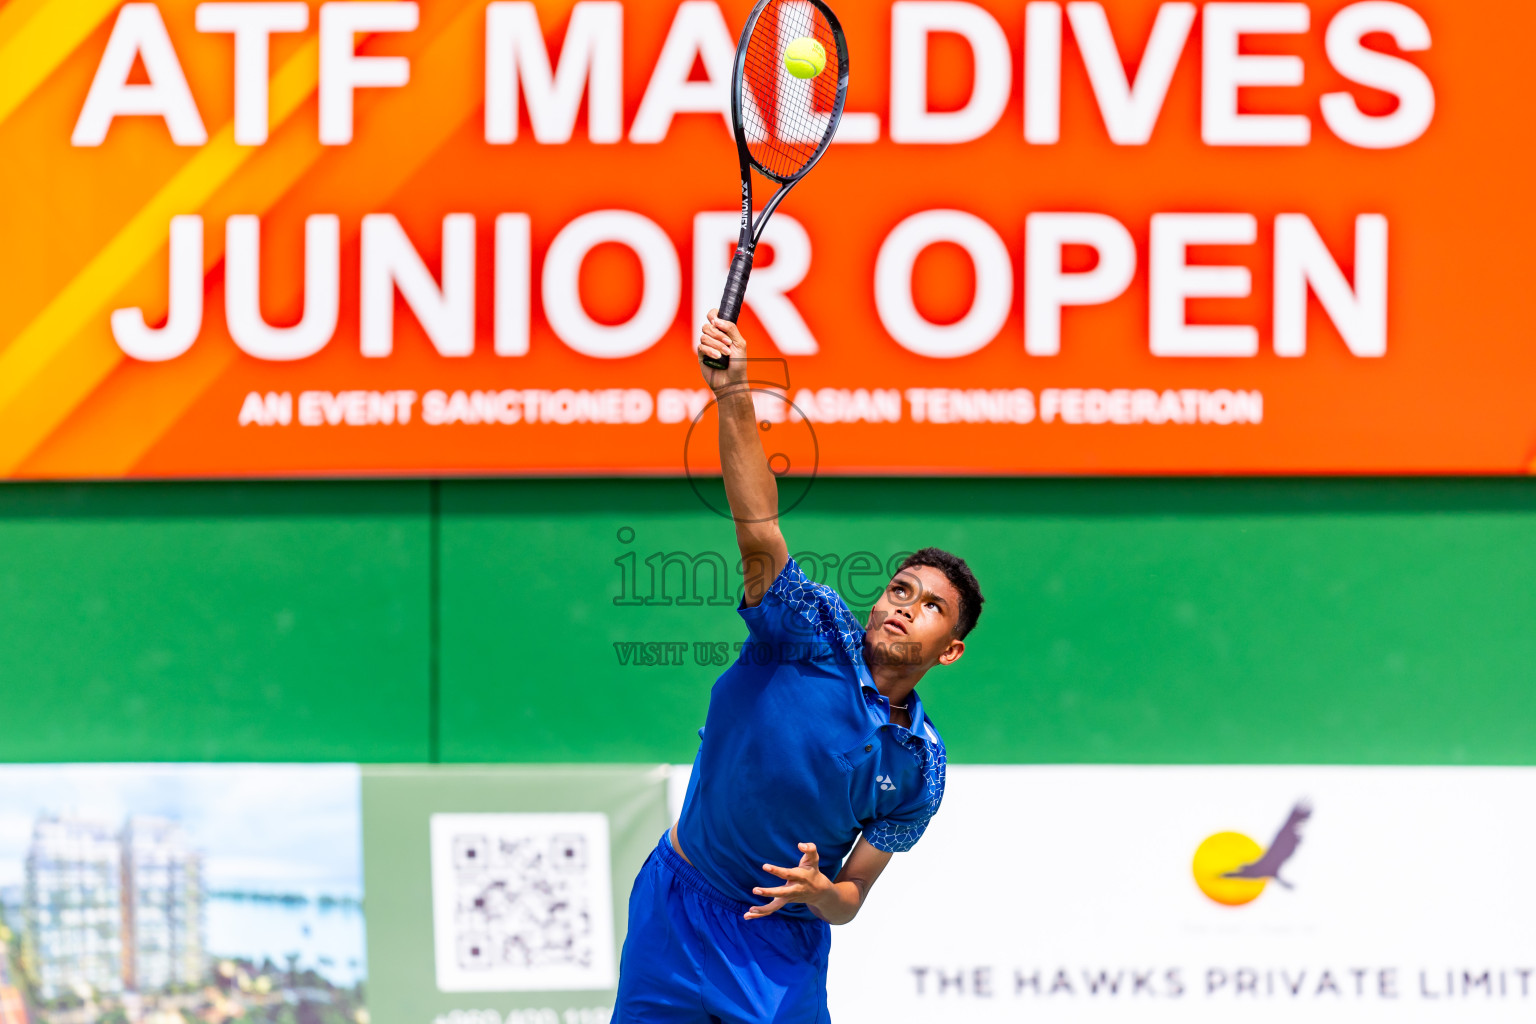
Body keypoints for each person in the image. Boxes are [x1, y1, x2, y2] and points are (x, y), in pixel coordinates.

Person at [613, 311, 985, 1023]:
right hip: (675, 905)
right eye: (899, 588)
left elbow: (851, 898)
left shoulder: (918, 769)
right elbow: (758, 524)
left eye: (931, 605)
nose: (904, 606)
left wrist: (821, 893)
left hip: (777, 946)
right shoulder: (805, 625)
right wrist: (733, 394)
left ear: (951, 648)